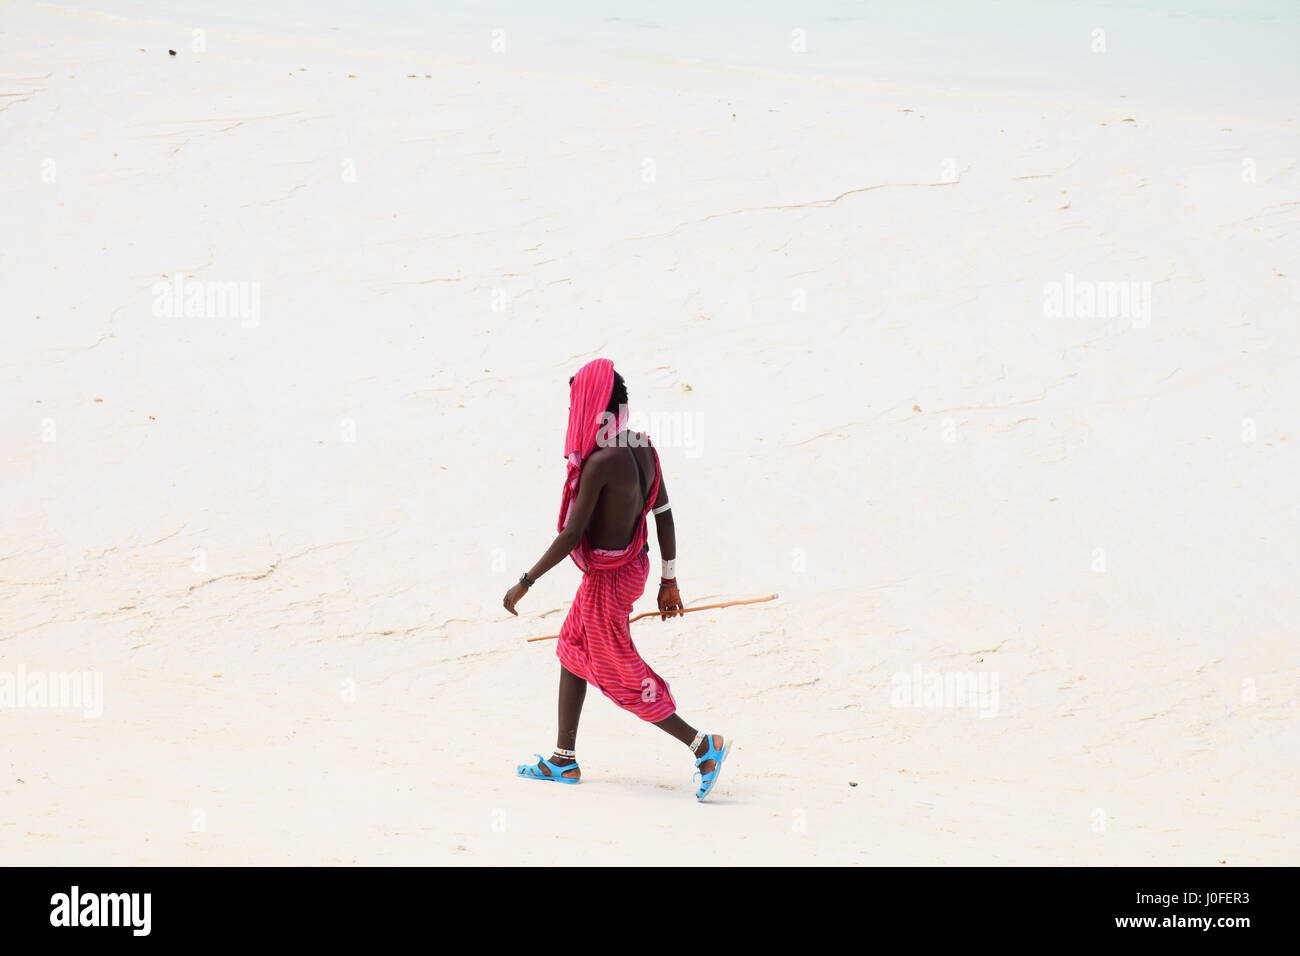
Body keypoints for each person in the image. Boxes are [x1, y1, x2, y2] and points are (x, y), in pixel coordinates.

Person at [502, 358, 729, 801]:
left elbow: (570, 535)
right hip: (635, 568)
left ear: (592, 404)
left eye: (576, 403)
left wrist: (525, 581)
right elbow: (663, 513)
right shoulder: (642, 446)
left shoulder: (602, 461)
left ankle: (704, 747)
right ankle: (563, 759)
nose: (573, 414)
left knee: (620, 672)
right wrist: (669, 579)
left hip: (607, 582)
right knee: (571, 647)